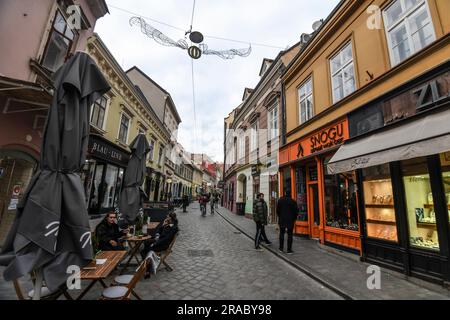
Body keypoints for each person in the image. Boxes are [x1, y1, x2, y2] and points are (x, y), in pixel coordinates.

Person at [276, 190, 298, 254]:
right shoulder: (293, 201)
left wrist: (280, 216)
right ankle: (289, 250)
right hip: (290, 220)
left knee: (282, 233)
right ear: (290, 194)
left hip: (282, 219)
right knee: (290, 235)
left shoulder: (280, 200)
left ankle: (281, 248)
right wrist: (294, 219)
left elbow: (277, 210)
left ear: (285, 193)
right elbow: (296, 211)